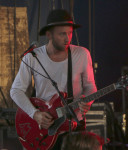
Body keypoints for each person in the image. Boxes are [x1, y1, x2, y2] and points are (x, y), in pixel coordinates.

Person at [10, 9, 97, 149]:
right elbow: (16, 91)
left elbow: (90, 86)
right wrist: (35, 114)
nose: (67, 38)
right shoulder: (33, 57)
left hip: (74, 123)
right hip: (45, 125)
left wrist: (87, 100)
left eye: (69, 33)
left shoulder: (82, 54)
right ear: (49, 34)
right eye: (62, 34)